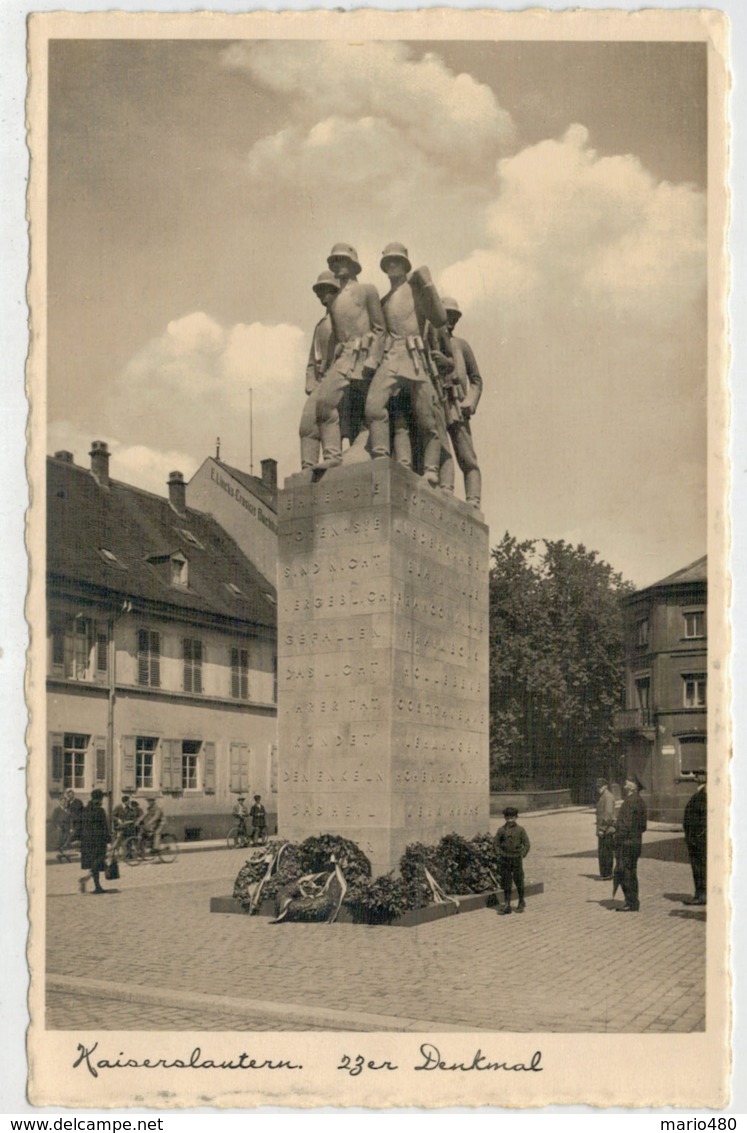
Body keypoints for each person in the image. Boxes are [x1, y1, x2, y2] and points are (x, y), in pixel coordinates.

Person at [364, 242, 447, 483]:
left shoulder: (416, 288)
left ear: (405, 264)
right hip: (392, 358)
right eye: (388, 261)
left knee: (427, 420)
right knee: (373, 406)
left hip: (416, 358)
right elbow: (380, 333)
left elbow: (440, 319)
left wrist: (428, 284)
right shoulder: (384, 300)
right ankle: (380, 455)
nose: (392, 265)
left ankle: (431, 469)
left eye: (397, 260)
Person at [314, 243, 385, 469]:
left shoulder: (367, 290)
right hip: (344, 356)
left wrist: (374, 358)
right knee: (325, 402)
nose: (338, 265)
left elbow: (380, 328)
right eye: (334, 261)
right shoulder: (334, 301)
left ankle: (378, 452)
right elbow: (336, 336)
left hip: (365, 353)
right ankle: (333, 455)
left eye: (343, 260)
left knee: (370, 409)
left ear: (354, 264)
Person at [437, 297, 483, 509]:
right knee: (440, 447)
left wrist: (470, 402)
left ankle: (473, 499)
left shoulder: (461, 345)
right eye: (447, 315)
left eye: (454, 317)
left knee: (466, 455)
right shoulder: (430, 343)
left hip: (457, 403)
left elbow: (476, 379)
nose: (451, 321)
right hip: (437, 401)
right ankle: (446, 488)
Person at [299, 271, 340, 470]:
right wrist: (310, 380)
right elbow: (310, 361)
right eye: (320, 292)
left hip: (340, 376)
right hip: (321, 380)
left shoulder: (343, 319)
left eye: (327, 290)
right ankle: (308, 467)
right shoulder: (320, 325)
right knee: (306, 425)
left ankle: (332, 455)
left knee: (326, 411)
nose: (323, 296)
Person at [614, 777, 648, 911]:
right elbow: (643, 826)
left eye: (629, 781)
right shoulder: (640, 801)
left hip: (626, 844)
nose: (625, 782)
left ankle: (631, 902)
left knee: (625, 873)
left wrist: (617, 834)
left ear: (633, 787)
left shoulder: (630, 801)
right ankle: (633, 901)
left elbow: (626, 825)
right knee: (631, 872)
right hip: (635, 843)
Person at [494, 806, 531, 915]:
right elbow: (496, 843)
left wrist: (522, 854)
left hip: (516, 859)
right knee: (506, 882)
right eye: (508, 818)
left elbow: (527, 844)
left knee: (519, 880)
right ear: (505, 818)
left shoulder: (520, 830)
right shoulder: (501, 830)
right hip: (505, 859)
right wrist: (499, 853)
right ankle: (507, 905)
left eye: (512, 818)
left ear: (516, 818)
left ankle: (520, 901)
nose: (510, 820)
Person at [79, 788, 111, 894]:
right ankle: (86, 878)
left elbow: (81, 825)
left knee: (95, 863)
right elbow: (104, 827)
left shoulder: (85, 809)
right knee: (99, 861)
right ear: (99, 798)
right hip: (98, 841)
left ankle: (97, 887)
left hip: (87, 842)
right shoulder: (100, 810)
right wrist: (108, 841)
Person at [682, 770, 707, 905]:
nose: (696, 778)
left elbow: (704, 818)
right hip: (695, 839)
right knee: (698, 867)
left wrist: (698, 836)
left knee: (699, 867)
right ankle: (700, 894)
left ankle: (702, 895)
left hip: (698, 840)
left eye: (698, 776)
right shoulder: (700, 793)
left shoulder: (704, 794)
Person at [595, 778, 616, 880]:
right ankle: (605, 873)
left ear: (606, 786)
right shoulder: (603, 796)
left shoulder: (608, 797)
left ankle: (607, 874)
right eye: (598, 787)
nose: (599, 788)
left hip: (606, 830)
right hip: (604, 829)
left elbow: (608, 814)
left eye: (600, 786)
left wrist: (602, 829)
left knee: (606, 852)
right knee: (603, 852)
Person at [111, 793, 142, 858]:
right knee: (120, 836)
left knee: (129, 836)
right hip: (119, 826)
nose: (129, 802)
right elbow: (113, 816)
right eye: (128, 801)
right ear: (125, 801)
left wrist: (132, 821)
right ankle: (114, 849)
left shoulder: (129, 808)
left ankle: (128, 853)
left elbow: (132, 816)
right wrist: (118, 819)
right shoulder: (118, 807)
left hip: (126, 826)